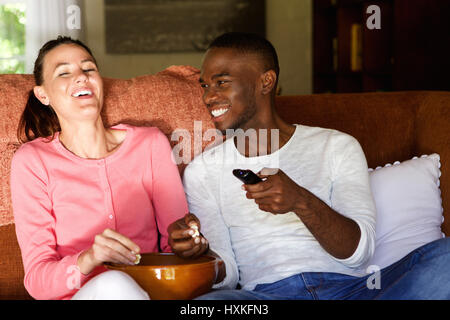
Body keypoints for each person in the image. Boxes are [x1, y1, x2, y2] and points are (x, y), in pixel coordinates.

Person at [168, 32, 450, 300]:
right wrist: (201, 254)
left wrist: (300, 201)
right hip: (263, 297)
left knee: (446, 258)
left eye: (221, 82)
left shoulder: (337, 146)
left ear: (266, 82)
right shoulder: (202, 172)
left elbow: (359, 253)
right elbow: (226, 274)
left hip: (354, 292)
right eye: (204, 85)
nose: (207, 97)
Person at [10, 36, 188, 300]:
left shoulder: (150, 144)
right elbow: (37, 281)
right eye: (64, 72)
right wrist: (89, 258)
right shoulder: (32, 161)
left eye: (88, 68)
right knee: (113, 284)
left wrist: (190, 242)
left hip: (151, 290)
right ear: (43, 94)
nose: (81, 77)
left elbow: (176, 243)